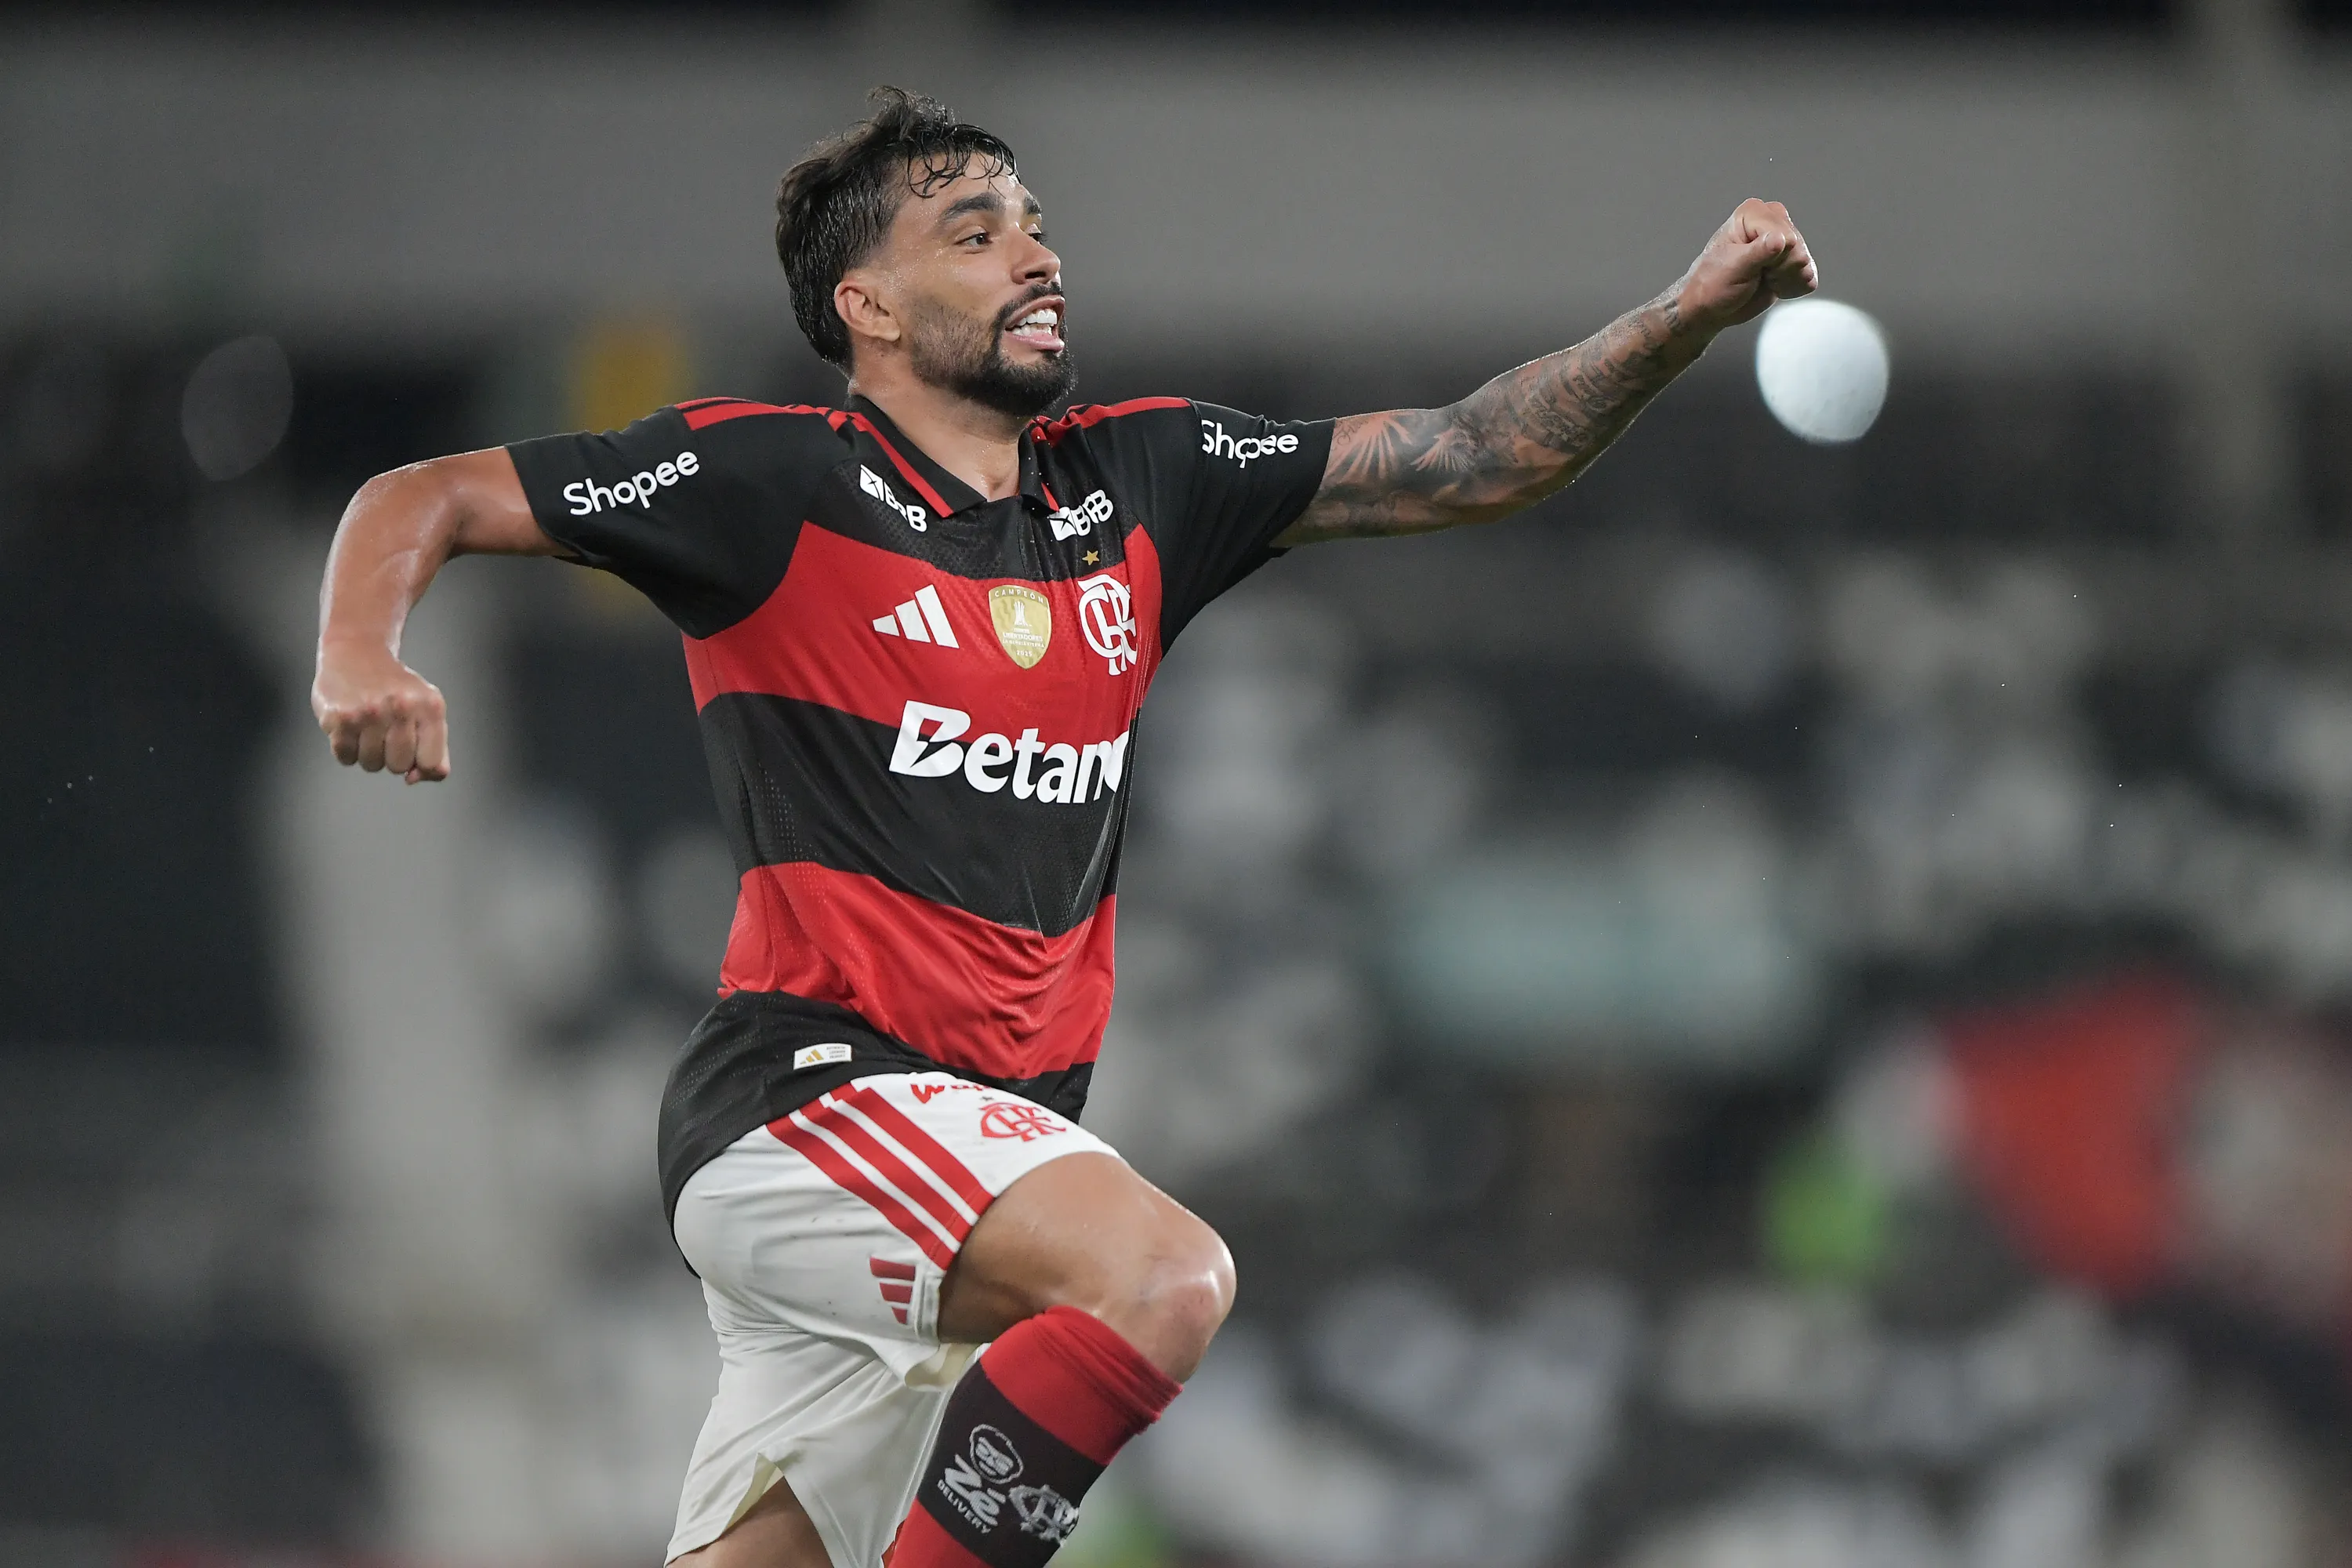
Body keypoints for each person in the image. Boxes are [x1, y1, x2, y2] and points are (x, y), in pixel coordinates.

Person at [311, 86, 1814, 1568]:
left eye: (1037, 225)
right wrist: (362, 655)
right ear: (869, 308)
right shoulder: (769, 478)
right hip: (813, 1104)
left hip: (980, 1151)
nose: (1035, 256)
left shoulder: (1143, 479)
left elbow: (1469, 455)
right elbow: (424, 493)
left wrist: (1682, 320)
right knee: (1162, 1283)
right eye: (976, 234)